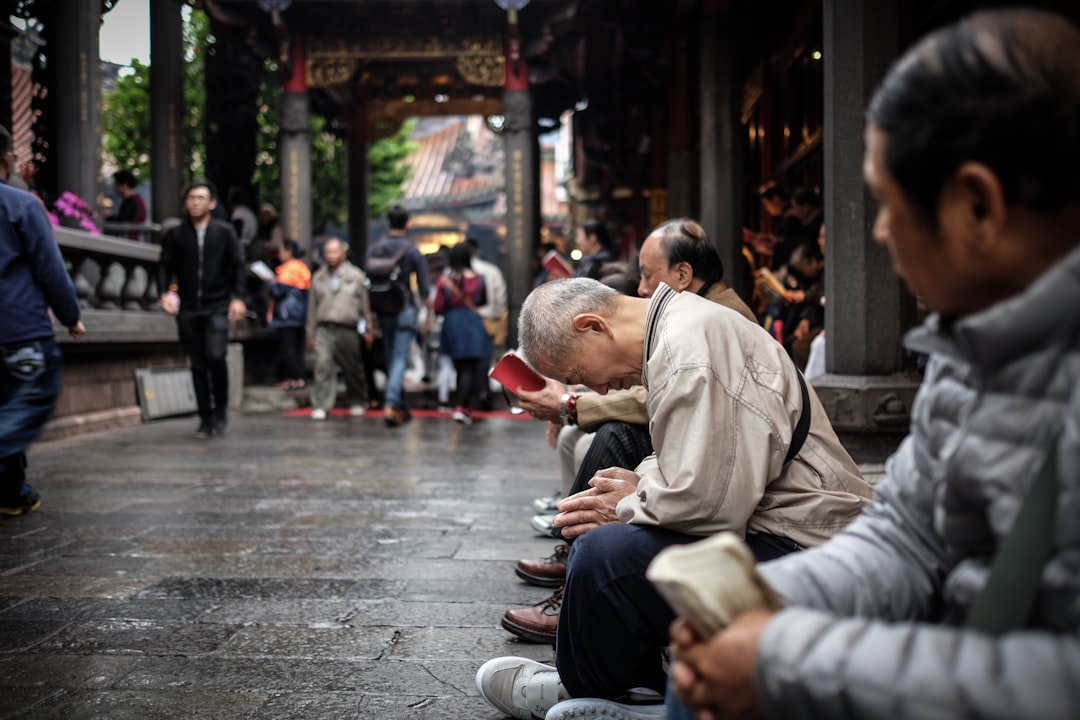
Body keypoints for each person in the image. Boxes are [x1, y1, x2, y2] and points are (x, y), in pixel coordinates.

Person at [668, 9, 1080, 720]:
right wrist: (764, 607)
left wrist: (785, 658)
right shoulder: (972, 346)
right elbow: (907, 534)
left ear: (978, 206)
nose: (880, 232)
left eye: (888, 204)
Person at [476, 276, 872, 719]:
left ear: (593, 326)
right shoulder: (680, 330)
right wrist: (636, 487)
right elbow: (687, 464)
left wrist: (625, 503)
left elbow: (711, 504)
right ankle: (610, 683)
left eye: (578, 376)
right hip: (781, 528)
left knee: (605, 555)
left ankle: (615, 689)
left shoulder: (691, 349)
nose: (600, 389)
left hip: (805, 544)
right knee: (605, 532)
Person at [513, 219, 760, 590]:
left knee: (613, 439)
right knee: (603, 450)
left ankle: (577, 571)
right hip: (728, 492)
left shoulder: (703, 329)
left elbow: (712, 488)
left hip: (767, 529)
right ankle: (576, 562)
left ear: (682, 273)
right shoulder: (689, 319)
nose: (642, 289)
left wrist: (636, 495)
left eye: (647, 276)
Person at [0, 124, 85, 516]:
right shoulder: (21, 204)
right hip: (19, 328)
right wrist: (71, 316)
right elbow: (50, 269)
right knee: (29, 398)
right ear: (6, 161)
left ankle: (12, 492)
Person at [157, 180, 247, 439]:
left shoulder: (224, 232)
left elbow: (238, 265)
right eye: (192, 198)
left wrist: (238, 298)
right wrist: (164, 293)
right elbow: (164, 265)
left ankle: (221, 410)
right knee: (197, 363)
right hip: (187, 307)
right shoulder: (176, 235)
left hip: (217, 306)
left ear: (212, 203)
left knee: (216, 356)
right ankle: (205, 417)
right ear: (186, 202)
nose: (196, 202)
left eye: (201, 198)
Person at [366, 205, 433, 427]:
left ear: (387, 222)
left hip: (381, 309)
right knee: (399, 359)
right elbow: (424, 287)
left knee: (391, 355)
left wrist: (369, 316)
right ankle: (392, 403)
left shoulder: (375, 249)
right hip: (404, 309)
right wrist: (428, 312)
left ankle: (401, 408)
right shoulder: (411, 250)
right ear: (408, 223)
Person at [305, 237, 375, 421]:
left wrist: (369, 328)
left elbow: (365, 306)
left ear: (343, 253)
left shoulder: (356, 276)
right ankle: (321, 404)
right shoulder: (318, 277)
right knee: (322, 364)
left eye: (334, 251)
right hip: (324, 327)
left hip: (348, 327)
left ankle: (357, 400)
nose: (331, 256)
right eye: (328, 252)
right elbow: (312, 308)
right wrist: (310, 332)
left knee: (352, 367)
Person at [432, 243, 492, 424]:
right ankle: (462, 406)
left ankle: (462, 405)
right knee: (471, 368)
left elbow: (438, 306)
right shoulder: (479, 278)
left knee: (460, 367)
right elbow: (483, 301)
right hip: (472, 323)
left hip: (453, 323)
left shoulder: (445, 281)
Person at [265, 239, 310, 390]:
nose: (279, 254)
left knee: (288, 348)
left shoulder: (289, 268)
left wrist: (269, 282)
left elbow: (278, 291)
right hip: (300, 313)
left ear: (288, 251)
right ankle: (299, 377)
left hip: (287, 314)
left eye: (281, 250)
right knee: (297, 349)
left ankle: (292, 378)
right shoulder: (301, 267)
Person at [108, 170, 147, 241]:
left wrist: (109, 216)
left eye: (117, 185)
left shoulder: (131, 201)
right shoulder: (137, 199)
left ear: (125, 185)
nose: (116, 189)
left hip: (129, 240)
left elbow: (122, 221)